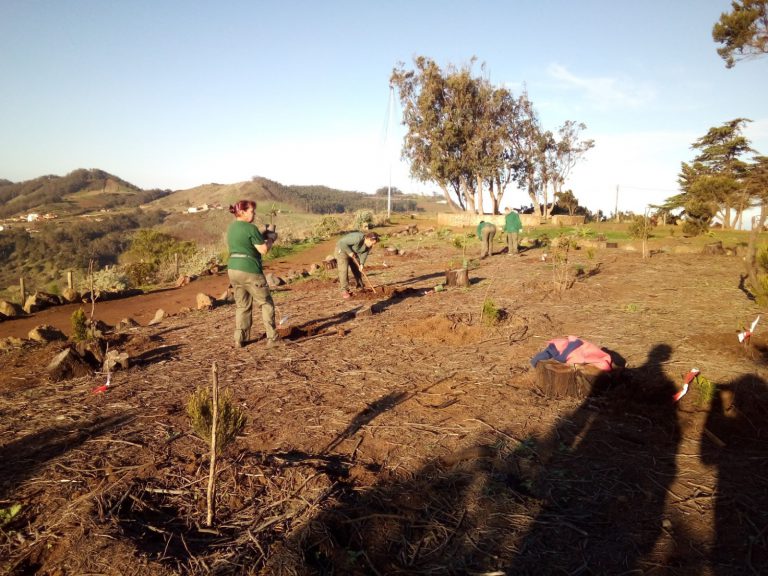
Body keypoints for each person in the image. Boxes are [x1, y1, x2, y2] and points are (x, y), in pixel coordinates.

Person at [226, 200, 279, 348]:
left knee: (242, 306)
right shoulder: (250, 228)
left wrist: (262, 235)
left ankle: (239, 339)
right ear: (242, 212)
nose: (254, 214)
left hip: (233, 269)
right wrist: (271, 238)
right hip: (250, 269)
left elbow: (246, 244)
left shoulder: (231, 228)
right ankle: (272, 338)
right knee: (265, 303)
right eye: (251, 211)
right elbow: (263, 249)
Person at [336, 231, 379, 299]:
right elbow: (342, 242)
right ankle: (344, 290)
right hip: (342, 250)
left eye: (374, 244)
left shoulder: (368, 245)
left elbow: (364, 253)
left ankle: (360, 285)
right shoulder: (357, 238)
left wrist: (361, 264)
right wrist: (349, 252)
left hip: (353, 252)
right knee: (343, 270)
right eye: (372, 243)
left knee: (357, 267)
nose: (373, 246)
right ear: (367, 239)